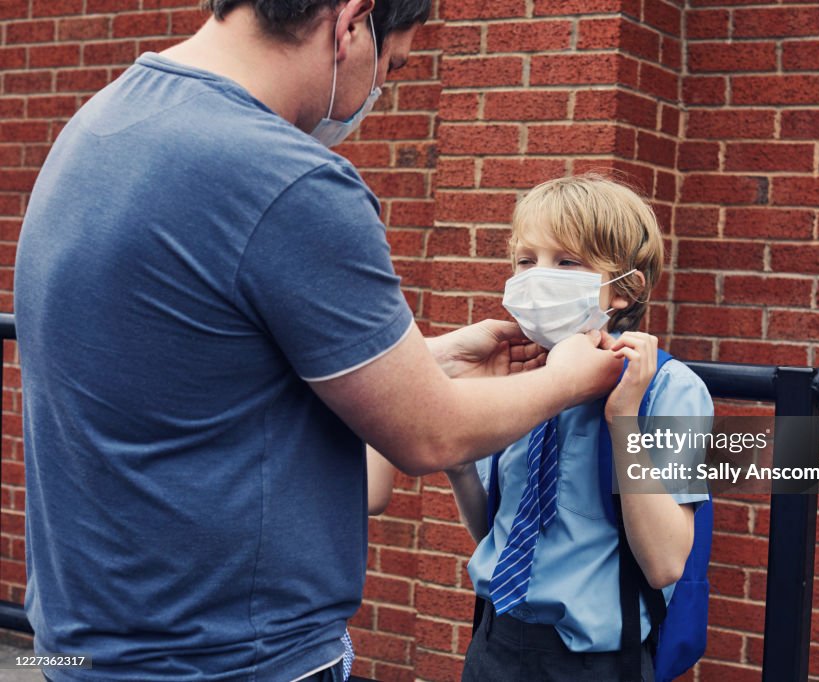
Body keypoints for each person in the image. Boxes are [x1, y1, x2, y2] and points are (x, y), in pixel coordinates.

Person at [12, 1, 624, 680]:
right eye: (390, 67)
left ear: (625, 288)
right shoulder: (285, 179)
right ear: (353, 21)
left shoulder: (99, 125)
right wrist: (570, 380)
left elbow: (675, 551)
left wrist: (639, 425)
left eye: (568, 264)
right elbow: (434, 442)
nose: (377, 94)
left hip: (86, 644)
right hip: (236, 659)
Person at [445, 175, 713, 682]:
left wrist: (623, 418)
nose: (538, 276)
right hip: (493, 641)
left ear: (624, 289)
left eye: (567, 262)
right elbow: (494, 531)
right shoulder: (522, 376)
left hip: (595, 663)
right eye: (526, 260)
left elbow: (663, 564)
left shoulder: (669, 389)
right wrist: (460, 461)